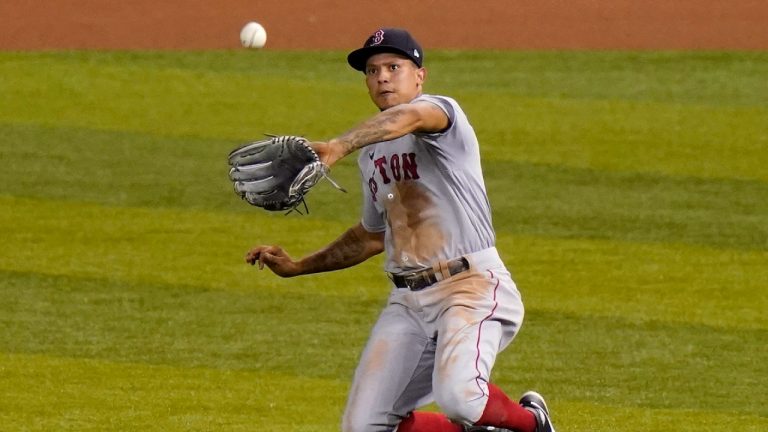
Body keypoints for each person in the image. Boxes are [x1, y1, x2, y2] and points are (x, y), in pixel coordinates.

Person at [245, 28, 556, 432]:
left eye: (394, 67)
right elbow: (374, 235)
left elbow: (407, 119)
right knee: (363, 427)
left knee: (460, 395)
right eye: (373, 71)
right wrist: (299, 266)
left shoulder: (441, 114)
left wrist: (340, 144)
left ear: (419, 76)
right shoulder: (372, 155)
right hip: (407, 304)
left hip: (470, 286)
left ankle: (532, 424)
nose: (383, 78)